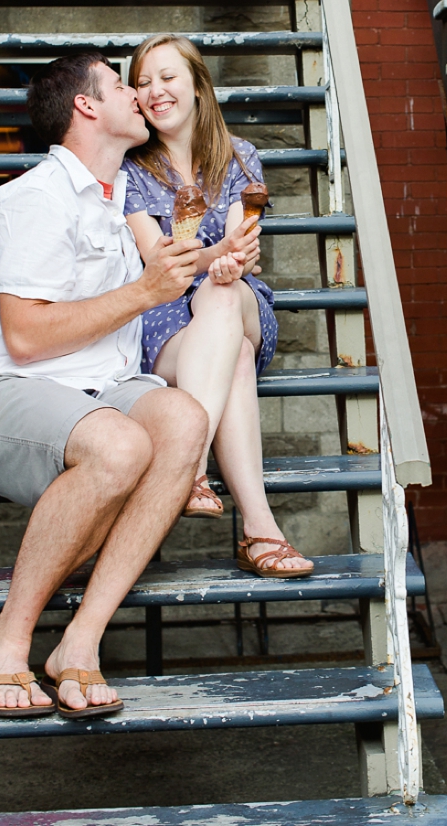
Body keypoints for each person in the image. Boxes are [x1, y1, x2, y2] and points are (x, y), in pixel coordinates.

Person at [0, 52, 209, 719]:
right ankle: (4, 647)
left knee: (183, 420)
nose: (137, 93)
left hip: (98, 388)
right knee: (121, 446)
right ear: (86, 106)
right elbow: (27, 337)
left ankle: (80, 640)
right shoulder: (37, 199)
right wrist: (147, 291)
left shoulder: (119, 198)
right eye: (121, 84)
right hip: (1, 391)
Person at [122, 34, 313, 578]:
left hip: (238, 297)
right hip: (164, 319)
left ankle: (190, 463)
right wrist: (218, 259)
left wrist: (223, 262)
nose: (154, 91)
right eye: (142, 82)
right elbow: (158, 262)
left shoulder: (240, 156)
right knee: (227, 346)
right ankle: (260, 530)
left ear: (199, 86)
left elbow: (241, 246)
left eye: (167, 77)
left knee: (225, 292)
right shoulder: (130, 170)